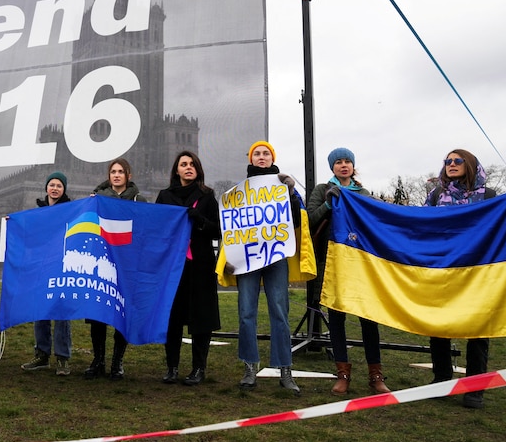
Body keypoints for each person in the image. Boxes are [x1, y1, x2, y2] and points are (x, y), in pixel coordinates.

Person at [307, 147, 391, 395]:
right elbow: (310, 218)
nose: (343, 165)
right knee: (337, 318)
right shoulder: (322, 190)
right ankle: (342, 373)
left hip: (361, 264)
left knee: (368, 318)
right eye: (338, 162)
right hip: (332, 262)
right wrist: (328, 203)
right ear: (332, 167)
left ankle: (376, 374)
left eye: (347, 162)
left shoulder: (363, 193)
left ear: (353, 166)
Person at [425, 148, 495, 409]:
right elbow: (422, 224)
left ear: (470, 164)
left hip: (477, 272)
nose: (451, 164)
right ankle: (442, 379)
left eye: (457, 160)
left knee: (477, 329)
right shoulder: (435, 196)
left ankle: (475, 387)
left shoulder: (488, 196)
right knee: (438, 326)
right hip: (443, 270)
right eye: (447, 161)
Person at [235, 141, 301, 395]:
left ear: (272, 158)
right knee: (245, 313)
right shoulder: (239, 191)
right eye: (257, 154)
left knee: (280, 312)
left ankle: (285, 369)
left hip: (275, 257)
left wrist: (292, 193)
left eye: (266, 154)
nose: (261, 157)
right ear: (250, 159)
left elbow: (295, 220)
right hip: (248, 258)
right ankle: (250, 367)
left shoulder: (283, 186)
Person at [156, 151, 221, 386]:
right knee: (172, 318)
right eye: (183, 164)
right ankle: (171, 367)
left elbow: (217, 230)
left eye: (192, 164)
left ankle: (198, 369)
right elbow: (156, 228)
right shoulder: (165, 196)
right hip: (173, 267)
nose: (188, 167)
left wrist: (200, 221)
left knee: (201, 318)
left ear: (198, 169)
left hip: (200, 266)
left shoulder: (207, 196)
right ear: (176, 170)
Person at [84, 158, 147, 380]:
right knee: (98, 313)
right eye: (113, 172)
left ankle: (117, 362)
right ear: (109, 175)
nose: (117, 175)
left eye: (121, 171)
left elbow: (145, 230)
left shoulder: (139, 199)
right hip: (102, 263)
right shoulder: (97, 199)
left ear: (128, 175)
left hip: (127, 265)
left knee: (123, 312)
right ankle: (98, 360)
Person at [21, 172, 73, 375]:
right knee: (40, 311)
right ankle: (42, 354)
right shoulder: (38, 212)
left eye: (59, 185)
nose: (55, 188)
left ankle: (62, 358)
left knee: (61, 313)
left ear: (64, 190)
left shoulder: (71, 210)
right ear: (46, 188)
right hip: (42, 268)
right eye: (52, 184)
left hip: (62, 267)